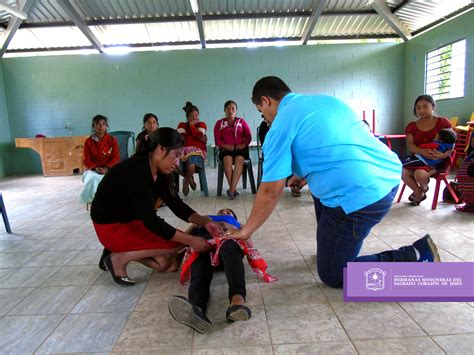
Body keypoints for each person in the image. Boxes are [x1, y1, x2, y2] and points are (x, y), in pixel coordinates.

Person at [228, 76, 441, 289]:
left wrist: (246, 230)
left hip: (361, 197)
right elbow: (336, 145)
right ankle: (332, 248)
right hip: (388, 174)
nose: (264, 117)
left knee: (333, 274)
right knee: (319, 197)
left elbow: (270, 190)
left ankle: (415, 256)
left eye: (260, 110)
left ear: (266, 101)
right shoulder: (326, 102)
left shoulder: (280, 127)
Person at [91, 128, 221, 286]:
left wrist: (204, 221)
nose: (177, 161)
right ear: (161, 149)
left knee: (169, 264)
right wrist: (191, 240)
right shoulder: (137, 170)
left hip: (133, 222)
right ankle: (118, 258)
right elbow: (151, 221)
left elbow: (175, 204)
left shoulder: (158, 170)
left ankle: (119, 250)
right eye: (176, 155)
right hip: (111, 227)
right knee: (180, 244)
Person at [168, 208, 275, 333]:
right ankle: (196, 309)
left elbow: (248, 241)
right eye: (222, 211)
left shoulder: (236, 223)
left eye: (228, 212)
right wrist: (195, 226)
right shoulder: (205, 218)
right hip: (204, 245)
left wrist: (231, 229)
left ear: (233, 216)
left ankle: (236, 303)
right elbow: (185, 236)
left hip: (228, 250)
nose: (225, 212)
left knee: (229, 246)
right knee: (199, 261)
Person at [401, 95, 452, 206]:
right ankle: (419, 193)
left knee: (420, 174)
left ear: (433, 106)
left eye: (425, 106)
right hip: (418, 159)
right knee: (403, 172)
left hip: (438, 161)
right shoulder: (412, 126)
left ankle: (423, 189)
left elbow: (451, 143)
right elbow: (410, 145)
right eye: (418, 108)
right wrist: (422, 151)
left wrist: (443, 155)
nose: (421, 110)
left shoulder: (442, 122)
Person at [214, 100, 252, 199]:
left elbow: (248, 137)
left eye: (233, 109)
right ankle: (233, 189)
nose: (230, 111)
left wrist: (243, 145)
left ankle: (231, 190)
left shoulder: (242, 122)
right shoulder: (219, 123)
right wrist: (226, 146)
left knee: (239, 161)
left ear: (236, 110)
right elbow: (217, 140)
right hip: (225, 149)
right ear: (224, 110)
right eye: (228, 109)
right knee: (227, 160)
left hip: (240, 149)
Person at [79, 114, 120, 205]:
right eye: (98, 124)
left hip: (110, 169)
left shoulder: (112, 140)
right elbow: (86, 159)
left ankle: (112, 202)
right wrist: (95, 168)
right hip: (93, 169)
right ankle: (95, 202)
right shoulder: (88, 141)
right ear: (93, 126)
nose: (101, 126)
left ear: (106, 126)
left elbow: (116, 158)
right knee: (93, 178)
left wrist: (107, 168)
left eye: (104, 124)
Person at [258, 116, 302, 197]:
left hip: (285, 150)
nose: (267, 121)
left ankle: (294, 185)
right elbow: (264, 143)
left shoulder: (282, 124)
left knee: (292, 158)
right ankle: (271, 186)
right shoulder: (264, 126)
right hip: (271, 152)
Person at [177, 102, 207, 196]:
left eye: (196, 115)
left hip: (198, 150)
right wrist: (189, 126)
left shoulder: (202, 124)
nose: (194, 118)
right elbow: (182, 138)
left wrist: (191, 126)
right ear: (187, 116)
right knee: (175, 165)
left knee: (192, 164)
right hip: (183, 151)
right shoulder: (181, 125)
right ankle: (190, 179)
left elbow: (198, 136)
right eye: (191, 116)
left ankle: (186, 181)